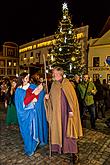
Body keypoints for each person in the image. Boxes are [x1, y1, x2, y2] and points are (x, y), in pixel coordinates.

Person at [44, 67, 83, 164]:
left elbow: (72, 99)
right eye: (54, 74)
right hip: (57, 113)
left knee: (69, 131)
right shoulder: (54, 85)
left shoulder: (67, 84)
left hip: (67, 113)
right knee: (58, 130)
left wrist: (71, 110)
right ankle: (59, 148)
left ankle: (73, 152)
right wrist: (47, 98)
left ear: (61, 74)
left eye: (57, 74)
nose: (55, 75)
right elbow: (51, 100)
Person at [15, 72, 48, 156]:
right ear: (22, 79)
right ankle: (29, 146)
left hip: (33, 114)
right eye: (26, 78)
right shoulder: (19, 90)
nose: (28, 80)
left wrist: (44, 95)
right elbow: (21, 104)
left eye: (28, 78)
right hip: (25, 114)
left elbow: (40, 96)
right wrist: (34, 95)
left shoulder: (32, 86)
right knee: (27, 131)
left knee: (34, 130)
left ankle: (34, 143)